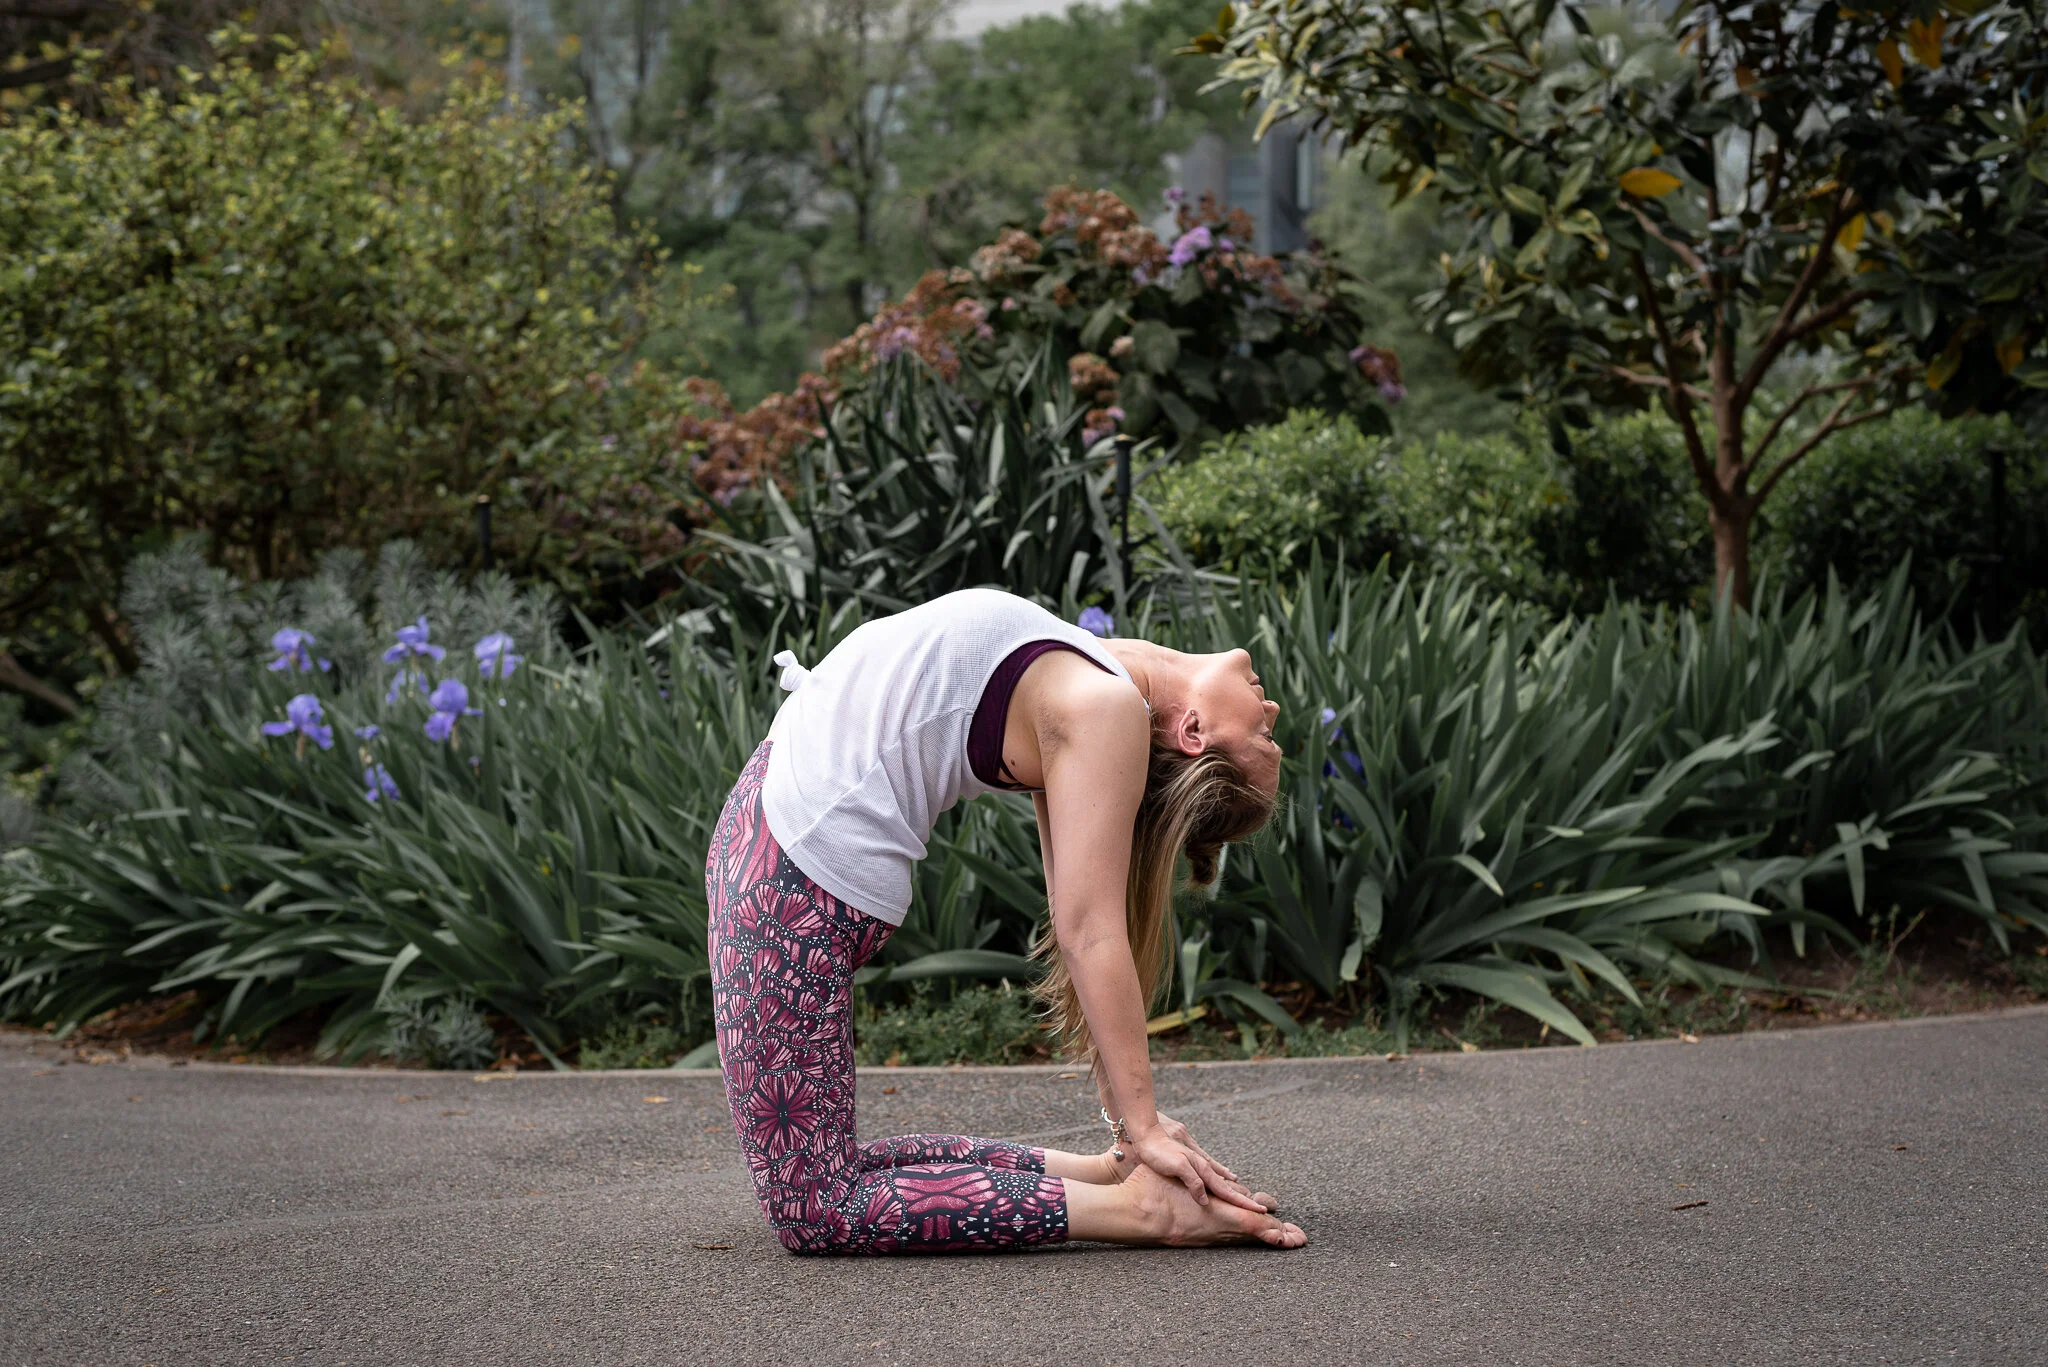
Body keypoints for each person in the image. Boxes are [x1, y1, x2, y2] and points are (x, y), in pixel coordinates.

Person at [705, 587, 1306, 1253]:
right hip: (784, 855)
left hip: (790, 878)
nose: (1271, 707)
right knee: (838, 1173)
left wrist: (1144, 1124)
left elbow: (1087, 931)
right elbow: (1082, 929)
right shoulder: (1094, 680)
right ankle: (1110, 1179)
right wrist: (1135, 1135)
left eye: (1263, 735)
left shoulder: (1100, 705)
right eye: (1269, 729)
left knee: (817, 1208)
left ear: (1194, 732)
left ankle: (1143, 1212)